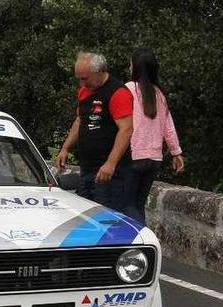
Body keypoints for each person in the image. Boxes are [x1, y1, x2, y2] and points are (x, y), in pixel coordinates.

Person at [54, 52, 133, 211]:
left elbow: (126, 129)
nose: (82, 83)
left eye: (85, 78)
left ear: (100, 72)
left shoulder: (117, 92)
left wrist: (111, 163)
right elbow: (80, 120)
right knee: (84, 216)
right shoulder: (84, 91)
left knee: (105, 219)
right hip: (87, 169)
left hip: (109, 173)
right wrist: (65, 148)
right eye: (79, 78)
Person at [122, 48, 184, 224]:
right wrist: (176, 152)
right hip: (154, 159)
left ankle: (142, 241)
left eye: (131, 63)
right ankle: (142, 238)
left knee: (127, 205)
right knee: (138, 204)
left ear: (135, 67)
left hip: (133, 156)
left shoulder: (128, 89)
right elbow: (168, 126)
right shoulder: (160, 94)